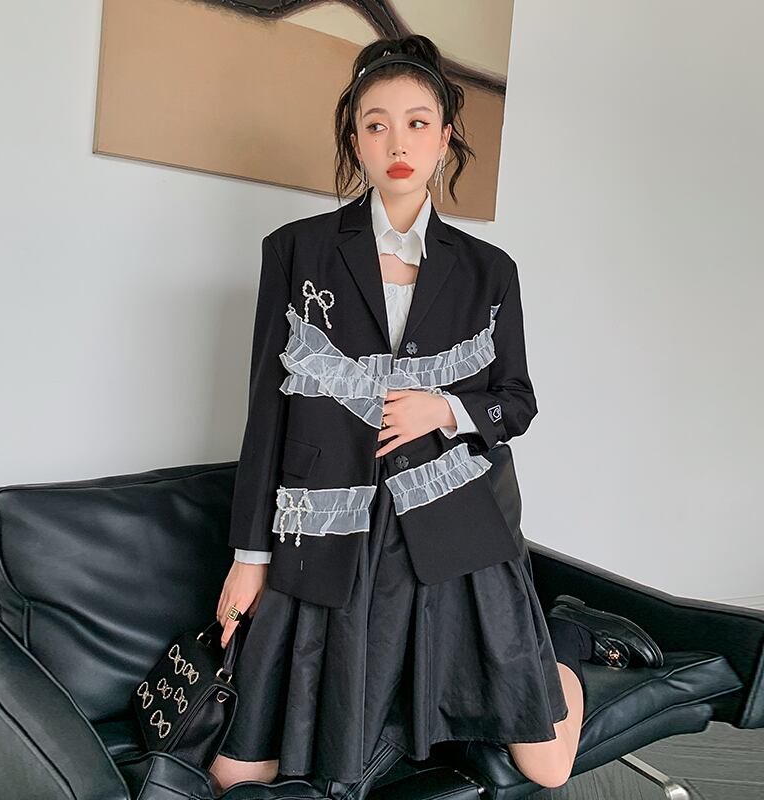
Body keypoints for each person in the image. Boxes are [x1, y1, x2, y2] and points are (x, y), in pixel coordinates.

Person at [209, 34, 662, 795]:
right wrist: (249, 557)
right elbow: (266, 412)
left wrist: (445, 407)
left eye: (418, 123)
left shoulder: (490, 270)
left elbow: (516, 402)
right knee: (236, 772)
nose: (398, 144)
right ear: (354, 137)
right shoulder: (294, 252)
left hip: (457, 528)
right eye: (377, 124)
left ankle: (567, 646)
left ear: (445, 137)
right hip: (329, 533)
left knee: (548, 767)